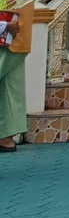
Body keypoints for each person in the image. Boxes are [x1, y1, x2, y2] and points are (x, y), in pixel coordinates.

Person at [0, 12, 25, 152]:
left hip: (13, 36)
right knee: (9, 86)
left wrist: (7, 25)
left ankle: (6, 137)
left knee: (10, 86)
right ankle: (5, 137)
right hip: (15, 36)